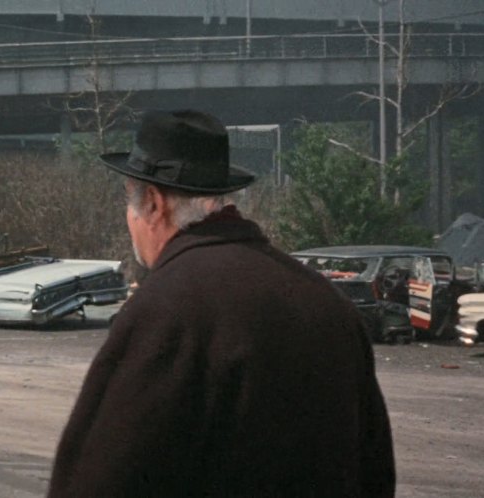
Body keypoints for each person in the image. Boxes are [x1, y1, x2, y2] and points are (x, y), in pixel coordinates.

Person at [48, 110, 395, 497]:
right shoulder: (326, 302)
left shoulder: (166, 309)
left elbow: (103, 477)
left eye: (128, 202)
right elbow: (375, 472)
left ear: (154, 204)